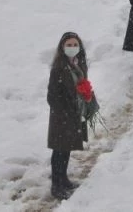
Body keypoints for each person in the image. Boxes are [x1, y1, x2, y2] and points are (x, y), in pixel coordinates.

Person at [47, 31, 92, 200]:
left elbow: (81, 84)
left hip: (74, 114)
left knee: (66, 149)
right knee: (59, 150)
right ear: (62, 47)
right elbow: (52, 96)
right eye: (69, 45)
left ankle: (64, 179)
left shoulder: (78, 63)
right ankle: (56, 185)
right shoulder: (58, 68)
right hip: (62, 116)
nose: (72, 48)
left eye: (75, 45)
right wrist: (67, 108)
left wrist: (85, 97)